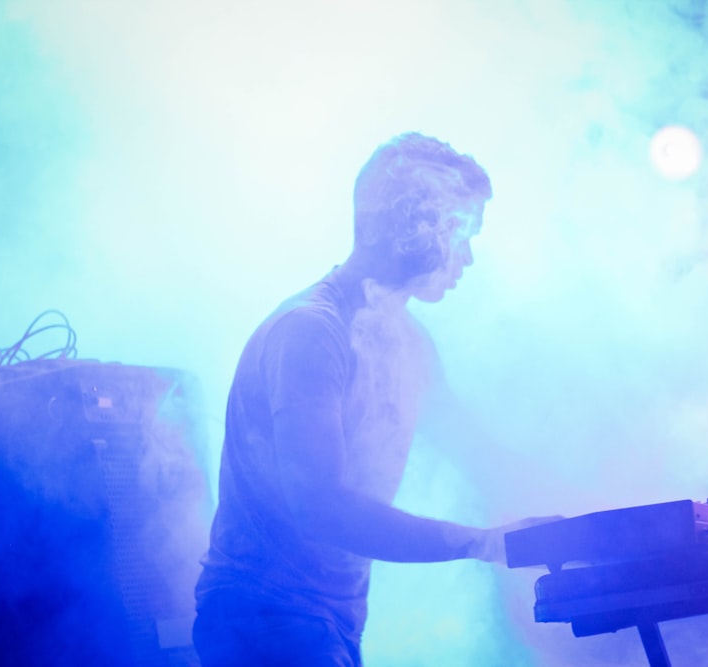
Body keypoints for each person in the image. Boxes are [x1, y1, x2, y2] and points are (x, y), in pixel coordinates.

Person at [193, 132, 549, 666]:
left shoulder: (408, 342)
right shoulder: (311, 333)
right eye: (460, 231)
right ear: (411, 227)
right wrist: (481, 543)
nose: (469, 257)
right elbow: (322, 508)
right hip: (264, 621)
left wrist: (596, 517)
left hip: (321, 622)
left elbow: (476, 451)